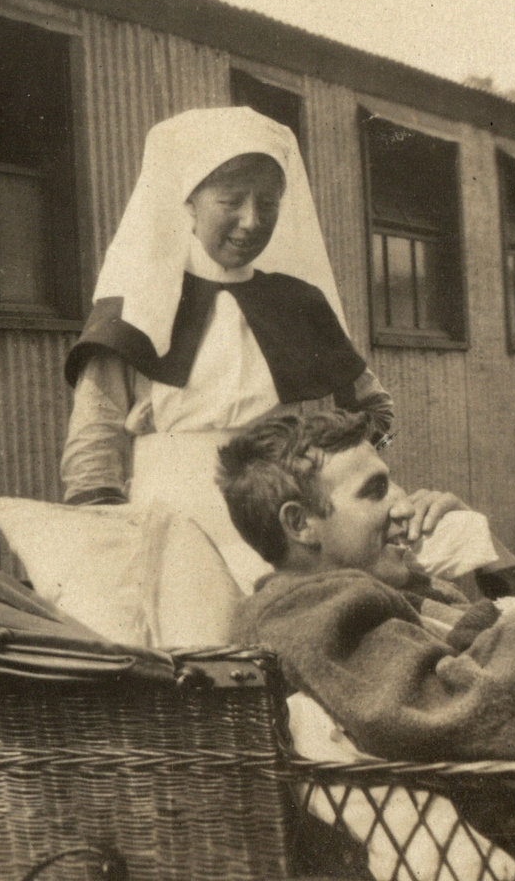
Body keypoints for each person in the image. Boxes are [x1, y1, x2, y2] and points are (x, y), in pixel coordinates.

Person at [220, 409, 515, 880]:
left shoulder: (384, 589)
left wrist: (484, 539)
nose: (404, 506)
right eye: (374, 492)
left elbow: (497, 645)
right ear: (300, 524)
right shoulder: (307, 616)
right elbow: (447, 713)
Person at [61, 106, 393, 592]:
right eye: (232, 200)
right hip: (170, 530)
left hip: (283, 537)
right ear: (189, 201)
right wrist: (109, 548)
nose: (251, 220)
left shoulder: (299, 302)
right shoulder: (137, 306)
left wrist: (337, 481)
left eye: (269, 203)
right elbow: (94, 444)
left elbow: (374, 408)